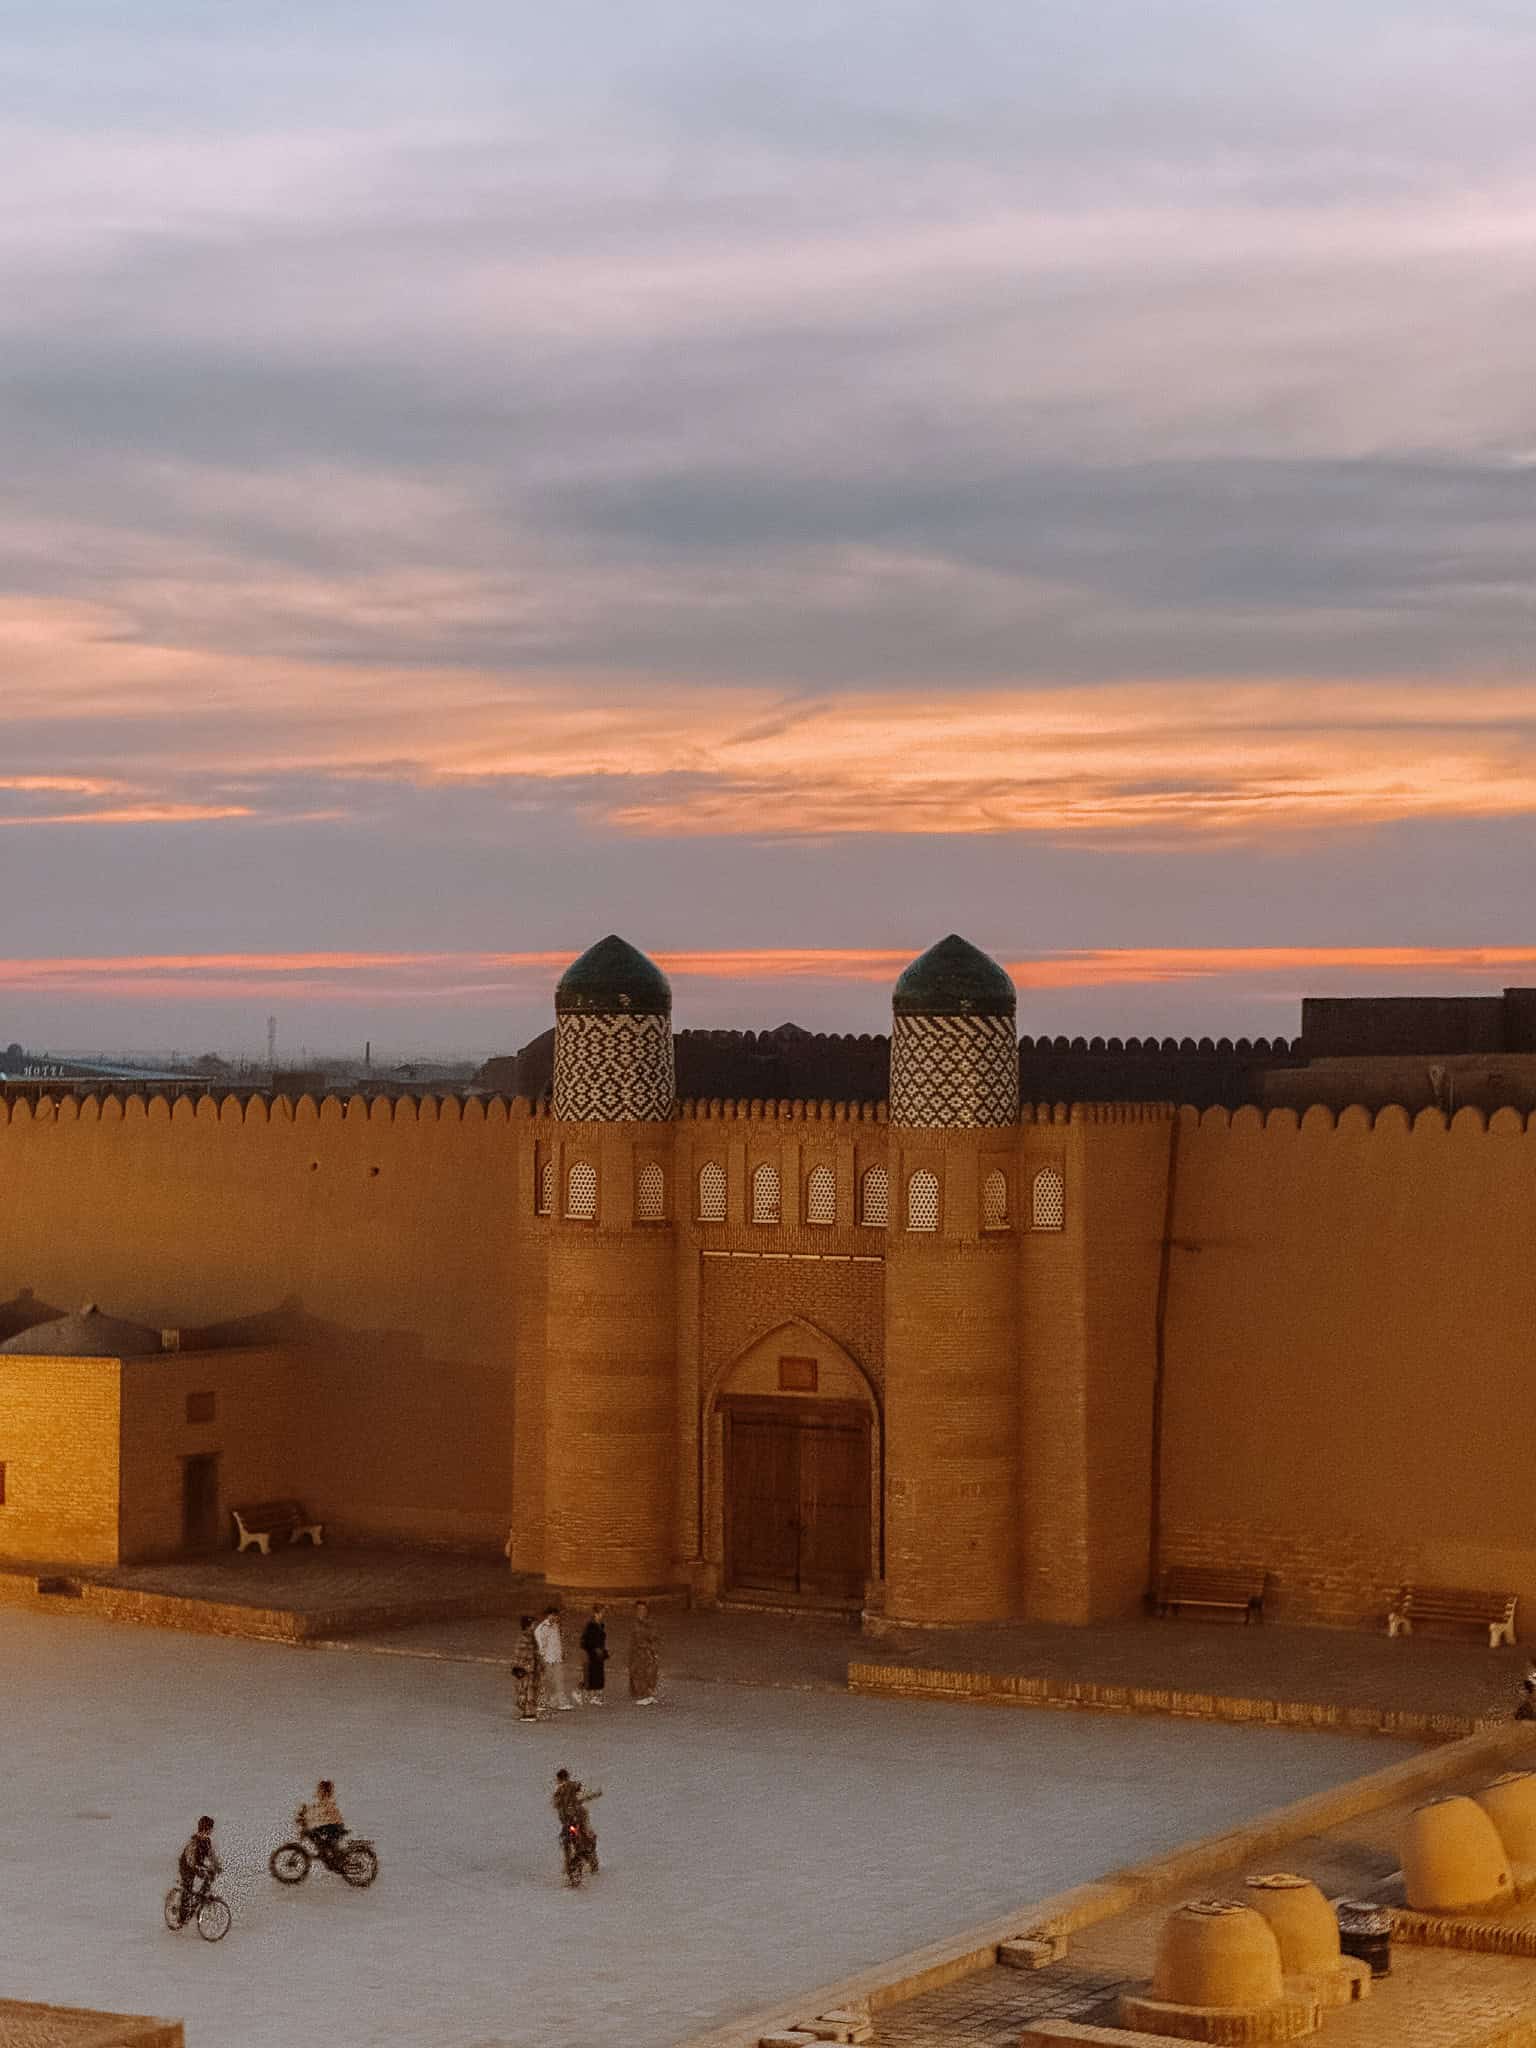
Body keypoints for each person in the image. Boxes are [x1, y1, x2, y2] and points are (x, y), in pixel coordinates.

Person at [175, 1816, 221, 1923]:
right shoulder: (194, 1842)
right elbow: (191, 1860)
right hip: (187, 1866)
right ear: (205, 1828)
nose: (211, 1831)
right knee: (188, 1888)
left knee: (209, 1877)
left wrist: (216, 1865)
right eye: (210, 1828)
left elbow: (211, 1855)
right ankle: (181, 1917)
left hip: (197, 1865)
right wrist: (198, 1870)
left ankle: (199, 1898)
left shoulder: (207, 1841)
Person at [552, 1767, 601, 1866]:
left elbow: (556, 1804)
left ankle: (568, 1863)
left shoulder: (560, 1790)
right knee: (587, 1835)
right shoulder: (572, 1786)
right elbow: (583, 1795)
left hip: (570, 1819)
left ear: (558, 1779)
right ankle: (591, 1859)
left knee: (567, 1840)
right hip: (575, 1818)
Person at [535, 1604, 573, 1712]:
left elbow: (558, 1641)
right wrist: (542, 1660)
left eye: (557, 1616)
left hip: (557, 1658)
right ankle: (541, 1703)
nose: (556, 1617)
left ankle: (559, 1703)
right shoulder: (541, 1628)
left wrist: (562, 1652)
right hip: (547, 1659)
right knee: (546, 1682)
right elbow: (540, 1645)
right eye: (553, 1615)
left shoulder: (556, 1626)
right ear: (548, 1615)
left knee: (559, 1681)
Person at [301, 1779, 346, 1861]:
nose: (318, 1792)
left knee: (316, 1834)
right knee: (318, 1837)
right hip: (331, 1826)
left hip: (334, 1826)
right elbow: (316, 1811)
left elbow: (322, 1813)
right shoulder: (324, 1800)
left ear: (324, 1791)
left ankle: (330, 1856)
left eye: (320, 1790)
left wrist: (308, 1815)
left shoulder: (328, 1800)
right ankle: (326, 1854)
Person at [627, 1600, 660, 1707]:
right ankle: (644, 1695)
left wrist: (653, 1649)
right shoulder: (635, 1624)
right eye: (639, 1609)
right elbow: (635, 1640)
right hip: (638, 1652)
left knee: (650, 1673)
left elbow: (654, 1637)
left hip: (647, 1652)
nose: (642, 1611)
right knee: (639, 1673)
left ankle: (648, 1695)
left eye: (644, 1609)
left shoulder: (649, 1623)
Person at [512, 1614, 543, 1723]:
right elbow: (521, 1654)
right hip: (527, 1669)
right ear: (528, 1626)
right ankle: (528, 1713)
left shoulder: (530, 1637)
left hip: (530, 1669)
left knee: (529, 1691)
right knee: (526, 1691)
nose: (534, 1626)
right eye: (533, 1624)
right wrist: (520, 1667)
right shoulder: (525, 1638)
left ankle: (529, 1713)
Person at [579, 1604, 608, 1706]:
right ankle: (592, 1696)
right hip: (592, 1654)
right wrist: (593, 1650)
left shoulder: (601, 1625)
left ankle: (595, 1696)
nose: (602, 1615)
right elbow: (585, 1641)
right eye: (601, 1612)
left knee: (598, 1674)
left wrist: (603, 1651)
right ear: (596, 1613)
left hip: (598, 1654)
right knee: (592, 1675)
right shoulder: (590, 1626)